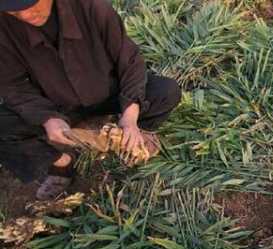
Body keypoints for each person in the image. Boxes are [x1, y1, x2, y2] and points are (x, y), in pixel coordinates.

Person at [0, 0, 181, 200]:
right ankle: (61, 163)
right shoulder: (3, 28)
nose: (25, 16)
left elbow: (129, 60)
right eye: (15, 13)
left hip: (109, 94)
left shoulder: (91, 7)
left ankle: (125, 136)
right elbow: (12, 85)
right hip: (58, 106)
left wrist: (129, 117)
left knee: (166, 91)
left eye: (31, 5)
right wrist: (48, 117)